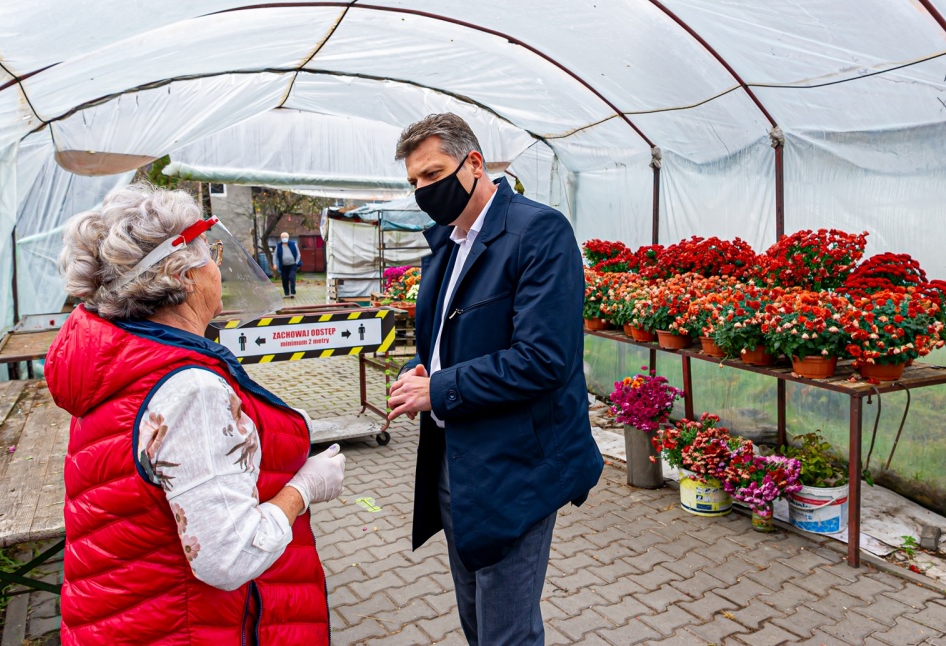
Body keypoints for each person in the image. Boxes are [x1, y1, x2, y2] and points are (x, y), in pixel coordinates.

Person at [45, 184, 344, 645]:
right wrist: (304, 488)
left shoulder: (122, 359)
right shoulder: (190, 390)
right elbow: (228, 557)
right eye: (211, 255)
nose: (218, 268)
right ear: (183, 276)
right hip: (187, 629)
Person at [388, 114, 604, 645]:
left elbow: (543, 358)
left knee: (506, 630)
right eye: (415, 181)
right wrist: (427, 368)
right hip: (455, 458)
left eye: (433, 174)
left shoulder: (537, 231)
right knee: (476, 618)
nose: (423, 190)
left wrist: (438, 389)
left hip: (516, 466)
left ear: (475, 163)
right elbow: (450, 332)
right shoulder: (448, 241)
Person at [272, 232, 302, 298]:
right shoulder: (278, 246)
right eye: (283, 237)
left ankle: (292, 293)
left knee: (292, 278)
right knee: (284, 279)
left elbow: (298, 254)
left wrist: (296, 262)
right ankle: (287, 293)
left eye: (285, 237)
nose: (284, 238)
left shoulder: (293, 244)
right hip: (283, 266)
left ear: (288, 238)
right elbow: (275, 256)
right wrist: (274, 264)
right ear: (281, 238)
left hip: (292, 265)